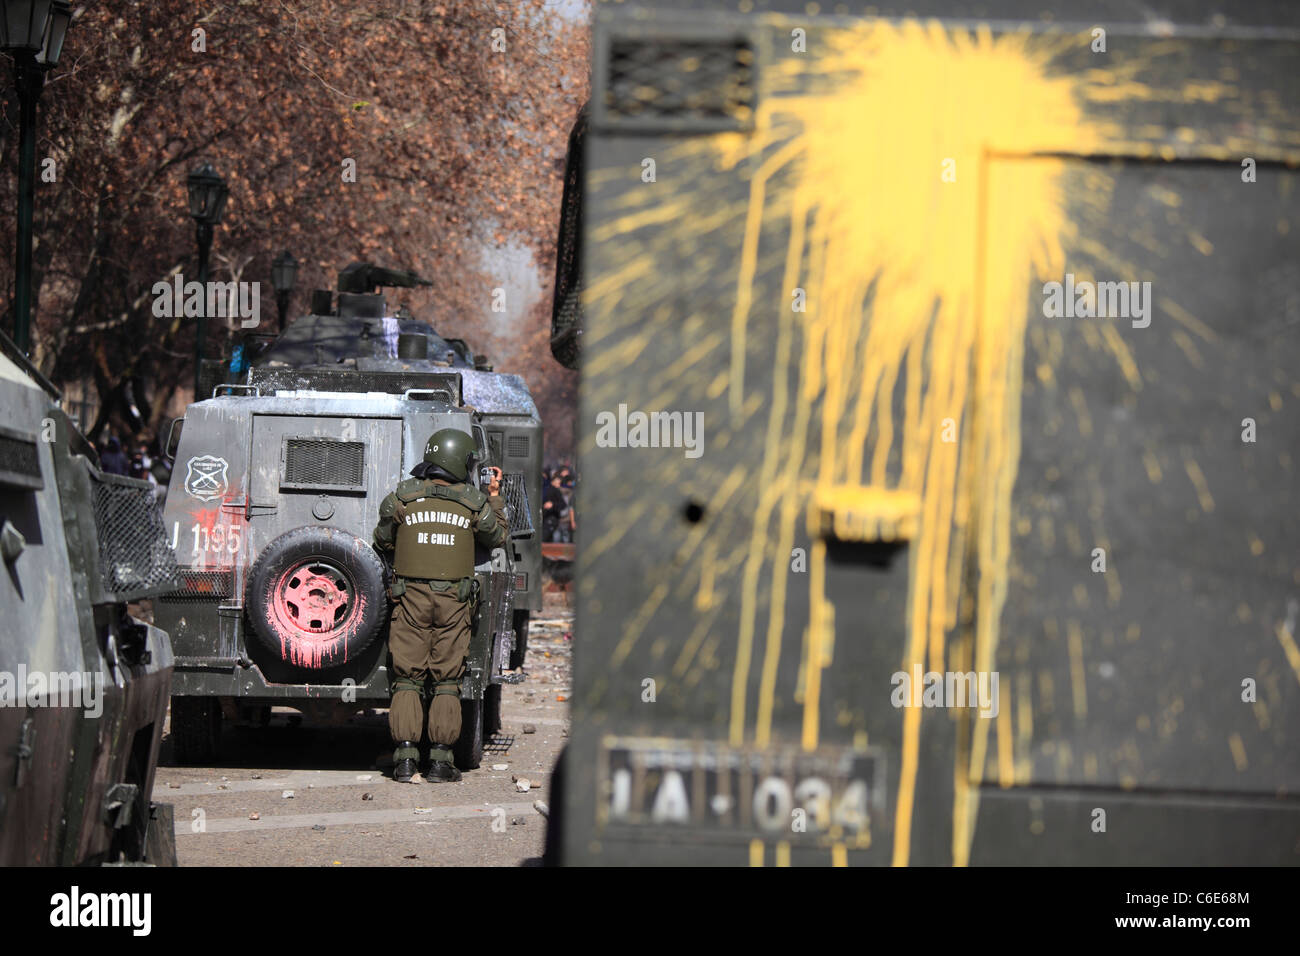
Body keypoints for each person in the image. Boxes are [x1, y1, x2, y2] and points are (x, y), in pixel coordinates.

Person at [372, 428, 507, 783]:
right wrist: (494, 496)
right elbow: (497, 537)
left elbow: (382, 539)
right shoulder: (473, 502)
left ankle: (404, 760)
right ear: (458, 460)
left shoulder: (402, 496)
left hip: (410, 598)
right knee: (447, 680)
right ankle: (441, 762)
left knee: (407, 679)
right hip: (455, 601)